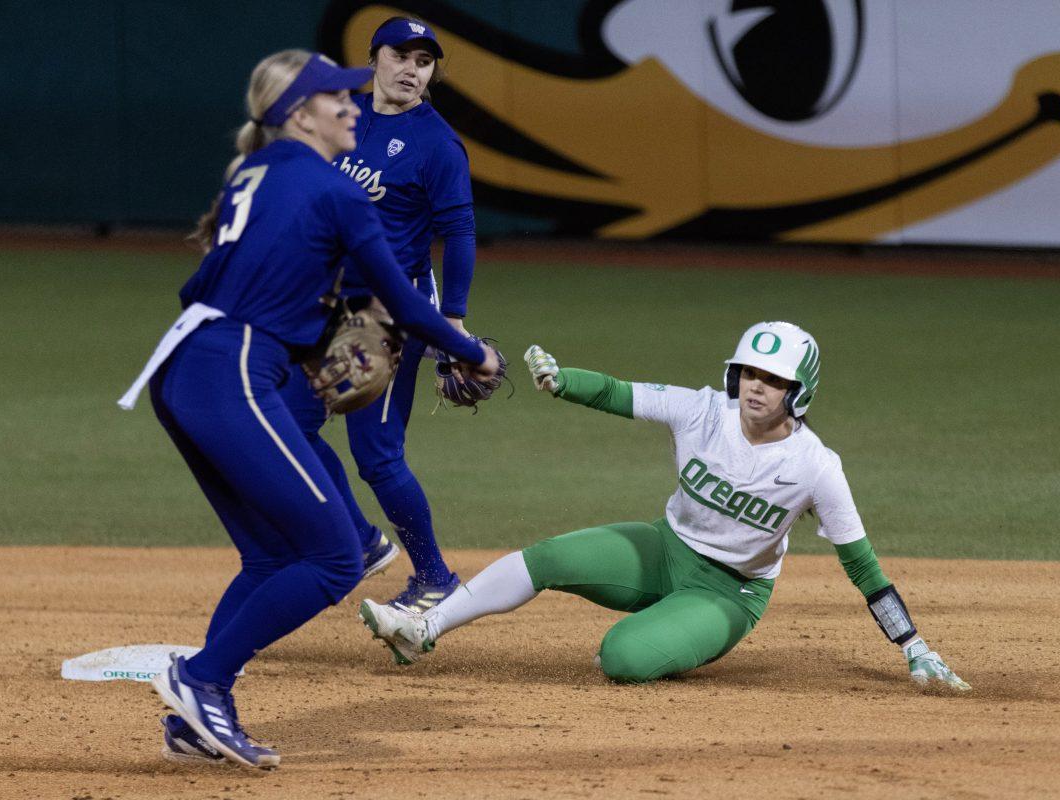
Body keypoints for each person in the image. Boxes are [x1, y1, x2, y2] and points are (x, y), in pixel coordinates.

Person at [119, 49, 499, 769]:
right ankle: (199, 678)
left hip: (186, 367)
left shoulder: (253, 173)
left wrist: (322, 328)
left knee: (271, 556)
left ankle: (196, 714)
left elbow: (226, 281)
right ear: (300, 113)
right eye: (338, 99)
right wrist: (470, 350)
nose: (354, 107)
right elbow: (401, 295)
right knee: (336, 556)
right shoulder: (336, 190)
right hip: (233, 371)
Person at [359, 322, 970, 691]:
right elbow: (620, 394)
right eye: (750, 372)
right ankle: (425, 630)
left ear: (799, 393)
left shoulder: (816, 466)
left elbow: (863, 567)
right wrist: (558, 378)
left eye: (774, 379)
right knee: (543, 558)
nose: (757, 386)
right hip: (664, 547)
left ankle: (680, 625)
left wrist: (912, 644)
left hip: (729, 592)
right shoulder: (705, 409)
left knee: (621, 657)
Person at [279, 16, 480, 612]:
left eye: (424, 61)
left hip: (391, 316)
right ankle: (362, 542)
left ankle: (434, 576)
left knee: (377, 454)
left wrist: (457, 322)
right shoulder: (345, 117)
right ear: (374, 59)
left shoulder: (437, 144)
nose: (412, 70)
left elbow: (460, 232)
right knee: (287, 429)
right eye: (402, 56)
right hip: (325, 307)